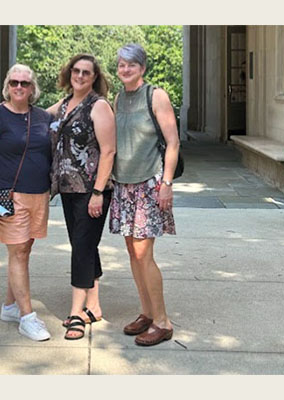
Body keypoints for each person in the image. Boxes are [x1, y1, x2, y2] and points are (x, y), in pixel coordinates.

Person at [0, 64, 53, 341]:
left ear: (33, 89)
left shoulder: (42, 117)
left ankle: (9, 306)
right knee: (18, 251)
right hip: (9, 195)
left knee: (24, 250)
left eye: (25, 83)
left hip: (39, 194)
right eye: (14, 82)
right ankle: (27, 317)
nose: (19, 87)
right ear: (7, 86)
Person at [109, 44, 179, 346]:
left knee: (143, 254)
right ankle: (147, 313)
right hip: (123, 185)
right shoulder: (118, 98)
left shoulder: (156, 96)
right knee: (132, 252)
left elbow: (173, 143)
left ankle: (163, 322)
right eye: (121, 65)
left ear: (142, 68)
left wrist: (166, 183)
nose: (125, 69)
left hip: (149, 184)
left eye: (131, 65)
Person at [47, 54, 116, 340]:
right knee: (83, 244)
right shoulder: (64, 104)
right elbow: (37, 116)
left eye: (87, 72)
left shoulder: (99, 106)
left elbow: (109, 151)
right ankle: (94, 306)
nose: (80, 76)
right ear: (69, 73)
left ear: (95, 77)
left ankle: (76, 313)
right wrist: (7, 109)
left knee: (81, 248)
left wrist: (98, 192)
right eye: (76, 70)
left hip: (91, 189)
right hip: (68, 188)